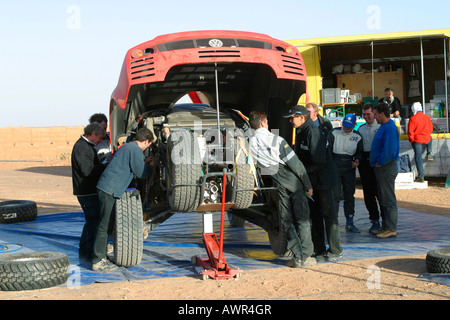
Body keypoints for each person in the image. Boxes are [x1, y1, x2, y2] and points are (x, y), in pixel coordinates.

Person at [248, 111, 316, 268]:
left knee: (286, 219)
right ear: (263, 123)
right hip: (292, 181)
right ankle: (307, 254)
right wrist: (308, 184)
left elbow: (258, 167)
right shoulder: (276, 140)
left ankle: (297, 256)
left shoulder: (251, 144)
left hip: (276, 183)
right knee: (302, 218)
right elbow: (296, 165)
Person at [92, 127, 155, 271]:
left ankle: (100, 254)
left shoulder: (129, 147)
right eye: (149, 144)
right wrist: (150, 166)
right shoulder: (135, 150)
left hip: (107, 188)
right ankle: (98, 260)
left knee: (106, 224)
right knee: (103, 225)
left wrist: (143, 161)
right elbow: (141, 172)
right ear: (146, 141)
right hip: (109, 189)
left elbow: (130, 164)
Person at [285, 105, 343, 261]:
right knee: (315, 215)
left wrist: (301, 173)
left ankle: (335, 250)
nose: (291, 121)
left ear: (302, 118)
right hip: (312, 181)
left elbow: (319, 161)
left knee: (329, 214)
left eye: (293, 118)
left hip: (323, 180)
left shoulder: (313, 132)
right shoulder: (301, 131)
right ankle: (318, 248)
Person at [71, 122, 106, 261]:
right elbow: (87, 170)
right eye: (99, 138)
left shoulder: (86, 146)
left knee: (91, 222)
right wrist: (104, 166)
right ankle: (89, 252)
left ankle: (85, 251)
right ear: (92, 134)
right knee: (93, 222)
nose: (100, 141)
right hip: (86, 191)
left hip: (87, 191)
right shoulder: (82, 147)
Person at [329, 113, 363, 232]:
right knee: (335, 195)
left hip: (349, 166)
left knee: (349, 194)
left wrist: (357, 160)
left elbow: (360, 152)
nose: (346, 128)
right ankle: (333, 222)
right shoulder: (334, 133)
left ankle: (350, 221)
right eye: (345, 125)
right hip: (335, 165)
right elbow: (328, 149)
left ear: (354, 125)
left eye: (349, 126)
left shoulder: (358, 136)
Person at [370, 103, 400, 239]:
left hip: (386, 168)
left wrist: (380, 163)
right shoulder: (385, 127)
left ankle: (391, 228)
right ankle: (386, 226)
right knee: (383, 198)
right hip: (383, 167)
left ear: (382, 114)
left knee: (388, 199)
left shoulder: (389, 128)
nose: (374, 117)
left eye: (375, 114)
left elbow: (389, 150)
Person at [357, 103, 383, 232]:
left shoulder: (380, 127)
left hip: (378, 161)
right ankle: (374, 220)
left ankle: (386, 220)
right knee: (368, 193)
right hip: (364, 162)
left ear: (374, 113)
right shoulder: (360, 129)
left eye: (368, 114)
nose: (366, 117)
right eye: (364, 114)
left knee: (380, 192)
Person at [408, 102, 434, 183]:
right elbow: (431, 129)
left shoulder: (412, 118)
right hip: (426, 138)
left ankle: (421, 176)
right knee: (430, 138)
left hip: (417, 140)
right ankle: (429, 152)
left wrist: (412, 140)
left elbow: (410, 132)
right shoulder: (427, 117)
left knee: (418, 158)